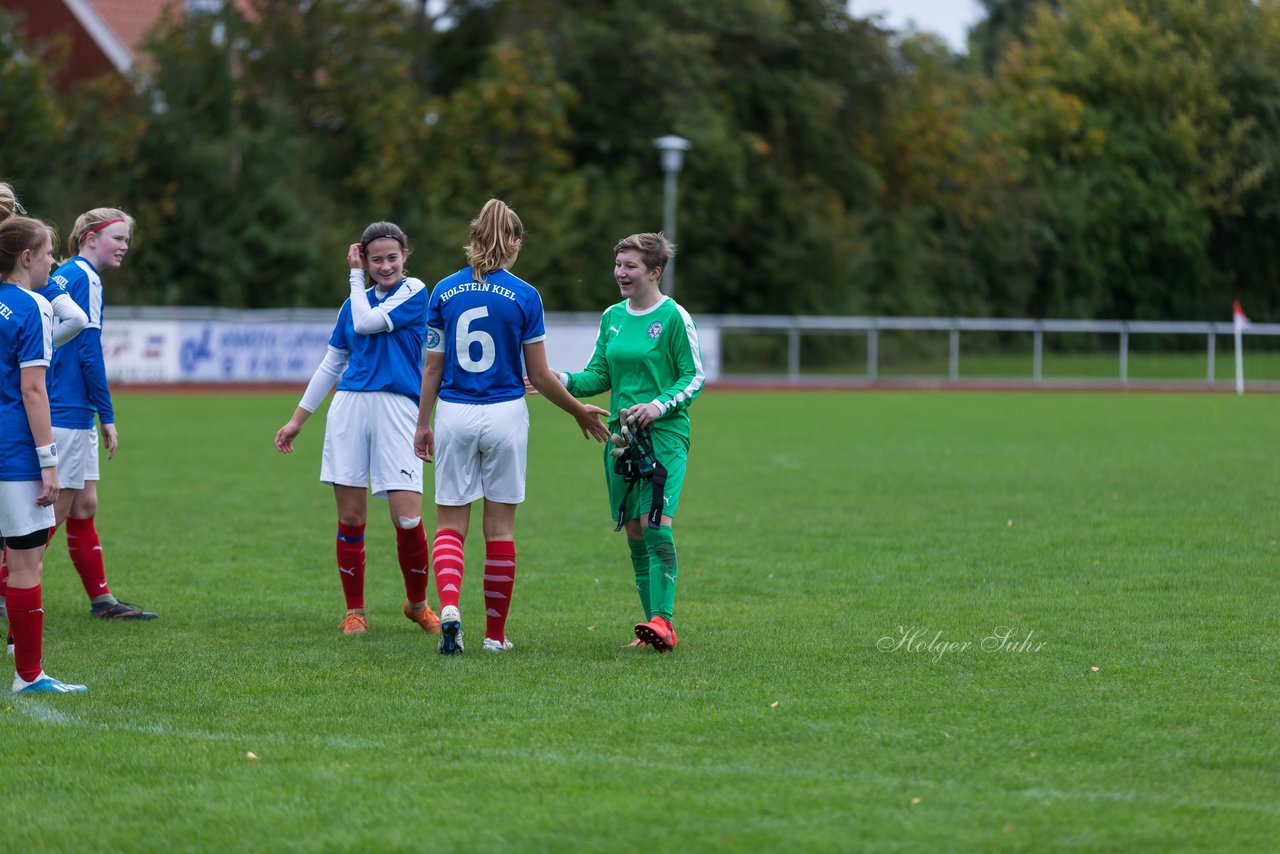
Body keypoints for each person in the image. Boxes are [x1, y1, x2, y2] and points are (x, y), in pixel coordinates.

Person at [414, 198, 609, 655]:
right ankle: (495, 636)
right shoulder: (525, 295)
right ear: (515, 242)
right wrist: (579, 409)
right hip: (505, 414)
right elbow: (539, 376)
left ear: (474, 236)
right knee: (499, 530)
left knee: (449, 524)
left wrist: (423, 424)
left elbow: (430, 369)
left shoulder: (442, 291)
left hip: (455, 414)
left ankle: (448, 608)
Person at [275, 221, 442, 637]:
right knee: (351, 518)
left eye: (392, 257)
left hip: (399, 410)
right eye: (375, 259)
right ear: (365, 261)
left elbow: (368, 323)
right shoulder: (353, 302)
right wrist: (298, 419)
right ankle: (355, 611)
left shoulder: (415, 291)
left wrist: (352, 276)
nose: (385, 266)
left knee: (407, 519)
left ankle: (418, 604)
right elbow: (332, 362)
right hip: (349, 408)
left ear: (406, 256)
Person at [551, 233, 704, 652]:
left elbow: (694, 377)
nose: (621, 272)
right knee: (634, 532)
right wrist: (554, 380)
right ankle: (652, 626)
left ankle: (663, 620)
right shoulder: (612, 317)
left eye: (630, 265)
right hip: (621, 442)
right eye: (618, 264)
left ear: (654, 271)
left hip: (665, 438)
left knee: (657, 527)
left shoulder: (674, 317)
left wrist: (657, 406)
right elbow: (598, 375)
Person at [38, 207, 156, 619]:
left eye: (127, 239)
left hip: (70, 407)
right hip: (67, 410)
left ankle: (102, 600)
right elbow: (88, 352)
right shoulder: (84, 277)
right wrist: (107, 415)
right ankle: (7, 588)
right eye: (118, 238)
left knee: (84, 505)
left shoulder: (68, 273)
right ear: (90, 236)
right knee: (52, 511)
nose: (125, 246)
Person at [0, 212, 88, 692]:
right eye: (51, 254)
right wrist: (49, 464)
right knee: (25, 564)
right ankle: (28, 676)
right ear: (26, 256)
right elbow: (33, 391)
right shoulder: (32, 306)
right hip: (12, 452)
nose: (55, 263)